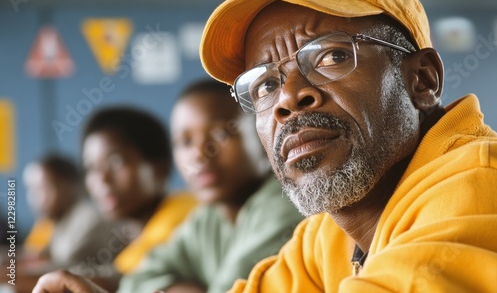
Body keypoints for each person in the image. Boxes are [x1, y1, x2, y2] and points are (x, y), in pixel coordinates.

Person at [198, 0, 497, 291]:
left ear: (422, 81)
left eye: (331, 56)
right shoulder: (326, 236)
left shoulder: (480, 186)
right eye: (266, 86)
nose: (287, 98)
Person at [33, 79, 304, 293]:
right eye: (185, 142)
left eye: (221, 133)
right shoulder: (209, 219)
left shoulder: (283, 205)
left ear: (263, 130)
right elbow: (137, 280)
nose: (199, 154)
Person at [76, 106, 198, 290]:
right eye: (92, 168)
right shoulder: (133, 230)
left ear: (159, 168)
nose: (102, 179)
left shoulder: (183, 217)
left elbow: (124, 279)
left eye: (116, 162)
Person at [5, 153, 119, 292]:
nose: (35, 198)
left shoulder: (90, 220)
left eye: (43, 188)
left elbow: (65, 270)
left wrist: (10, 275)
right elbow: (39, 255)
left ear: (69, 186)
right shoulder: (56, 222)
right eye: (31, 189)